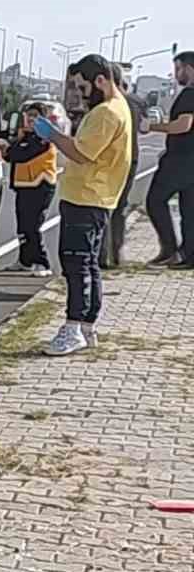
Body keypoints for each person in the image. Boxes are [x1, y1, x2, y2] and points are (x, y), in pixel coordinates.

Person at [35, 55, 133, 356]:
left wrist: (52, 135)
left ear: (101, 81)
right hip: (96, 197)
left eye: (83, 86)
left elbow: (82, 153)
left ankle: (73, 326)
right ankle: (87, 326)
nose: (81, 93)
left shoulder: (106, 113)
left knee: (76, 265)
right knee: (88, 263)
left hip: (87, 197)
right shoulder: (119, 108)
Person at [145, 50, 194, 268]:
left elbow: (183, 125)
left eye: (178, 69)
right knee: (189, 210)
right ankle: (188, 255)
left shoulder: (189, 95)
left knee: (155, 200)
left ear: (188, 68)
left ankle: (169, 249)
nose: (176, 74)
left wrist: (152, 126)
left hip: (180, 160)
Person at [3, 102, 59, 277]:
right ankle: (25, 260)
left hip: (41, 185)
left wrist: (9, 149)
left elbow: (20, 155)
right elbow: (13, 152)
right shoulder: (26, 136)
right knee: (22, 227)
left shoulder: (44, 137)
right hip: (25, 185)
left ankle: (43, 263)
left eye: (35, 116)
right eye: (28, 116)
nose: (30, 120)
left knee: (32, 226)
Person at [102, 63, 147, 269]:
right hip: (131, 158)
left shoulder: (108, 104)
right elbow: (144, 128)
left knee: (102, 205)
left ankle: (101, 254)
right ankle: (116, 252)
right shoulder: (137, 101)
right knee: (120, 206)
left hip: (109, 160)